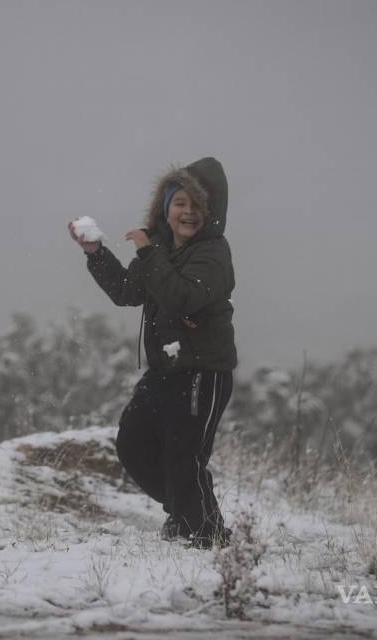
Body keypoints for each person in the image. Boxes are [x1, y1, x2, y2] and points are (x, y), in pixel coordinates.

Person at [68, 157, 237, 549]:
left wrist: (148, 253)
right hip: (165, 369)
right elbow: (128, 291)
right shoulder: (160, 248)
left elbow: (182, 298)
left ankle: (202, 535)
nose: (188, 213)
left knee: (184, 456)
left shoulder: (213, 253)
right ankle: (188, 513)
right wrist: (96, 253)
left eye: (197, 205)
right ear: (165, 207)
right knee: (133, 444)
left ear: (211, 212)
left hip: (202, 371)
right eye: (180, 203)